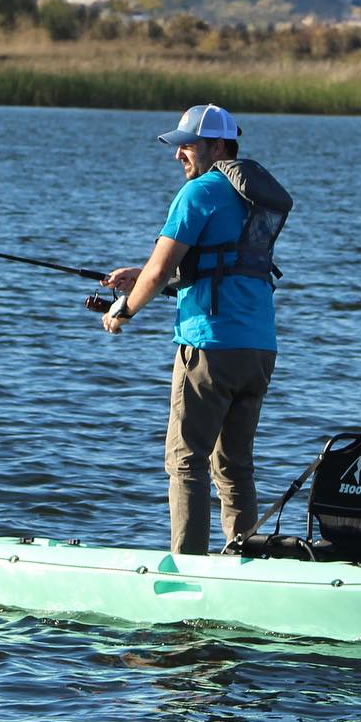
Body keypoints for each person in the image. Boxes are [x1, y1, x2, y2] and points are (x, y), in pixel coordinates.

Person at [101, 104, 288, 557]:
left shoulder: (199, 192)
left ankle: (188, 567)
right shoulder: (251, 197)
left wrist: (122, 311)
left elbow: (162, 268)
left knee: (186, 461)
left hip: (208, 347)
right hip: (259, 349)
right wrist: (142, 274)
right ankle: (246, 561)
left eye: (188, 144)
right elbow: (215, 265)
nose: (178, 154)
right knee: (235, 465)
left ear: (219, 147)